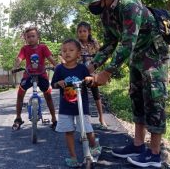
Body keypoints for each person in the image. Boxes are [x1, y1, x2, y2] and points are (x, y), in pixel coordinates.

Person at [79, 0, 168, 168]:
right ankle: (138, 146)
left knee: (154, 100)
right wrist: (92, 65)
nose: (90, 6)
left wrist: (108, 72)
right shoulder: (105, 13)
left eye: (91, 1)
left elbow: (128, 41)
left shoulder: (130, 6)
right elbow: (110, 43)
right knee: (137, 98)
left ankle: (154, 155)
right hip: (136, 57)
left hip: (152, 56)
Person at [51, 39, 101, 168]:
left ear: (78, 54)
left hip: (81, 106)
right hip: (66, 107)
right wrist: (58, 83)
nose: (67, 53)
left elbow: (89, 82)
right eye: (64, 50)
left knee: (87, 129)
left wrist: (89, 79)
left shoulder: (82, 69)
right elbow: (53, 84)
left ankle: (94, 145)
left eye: (71, 50)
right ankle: (73, 157)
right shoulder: (59, 69)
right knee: (68, 132)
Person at [12, 26, 57, 131]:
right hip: (28, 75)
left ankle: (54, 119)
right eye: (28, 37)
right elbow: (19, 58)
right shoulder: (24, 48)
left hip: (42, 75)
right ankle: (18, 118)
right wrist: (16, 66)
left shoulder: (43, 48)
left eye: (33, 36)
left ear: (38, 37)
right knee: (20, 94)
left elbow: (50, 58)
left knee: (48, 95)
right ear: (26, 38)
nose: (31, 38)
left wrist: (57, 66)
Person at [76, 21, 107, 128]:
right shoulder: (75, 43)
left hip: (92, 71)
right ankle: (81, 119)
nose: (82, 33)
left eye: (84, 31)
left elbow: (101, 55)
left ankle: (101, 117)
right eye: (80, 31)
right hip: (79, 71)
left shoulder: (94, 43)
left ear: (89, 32)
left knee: (96, 94)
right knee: (79, 94)